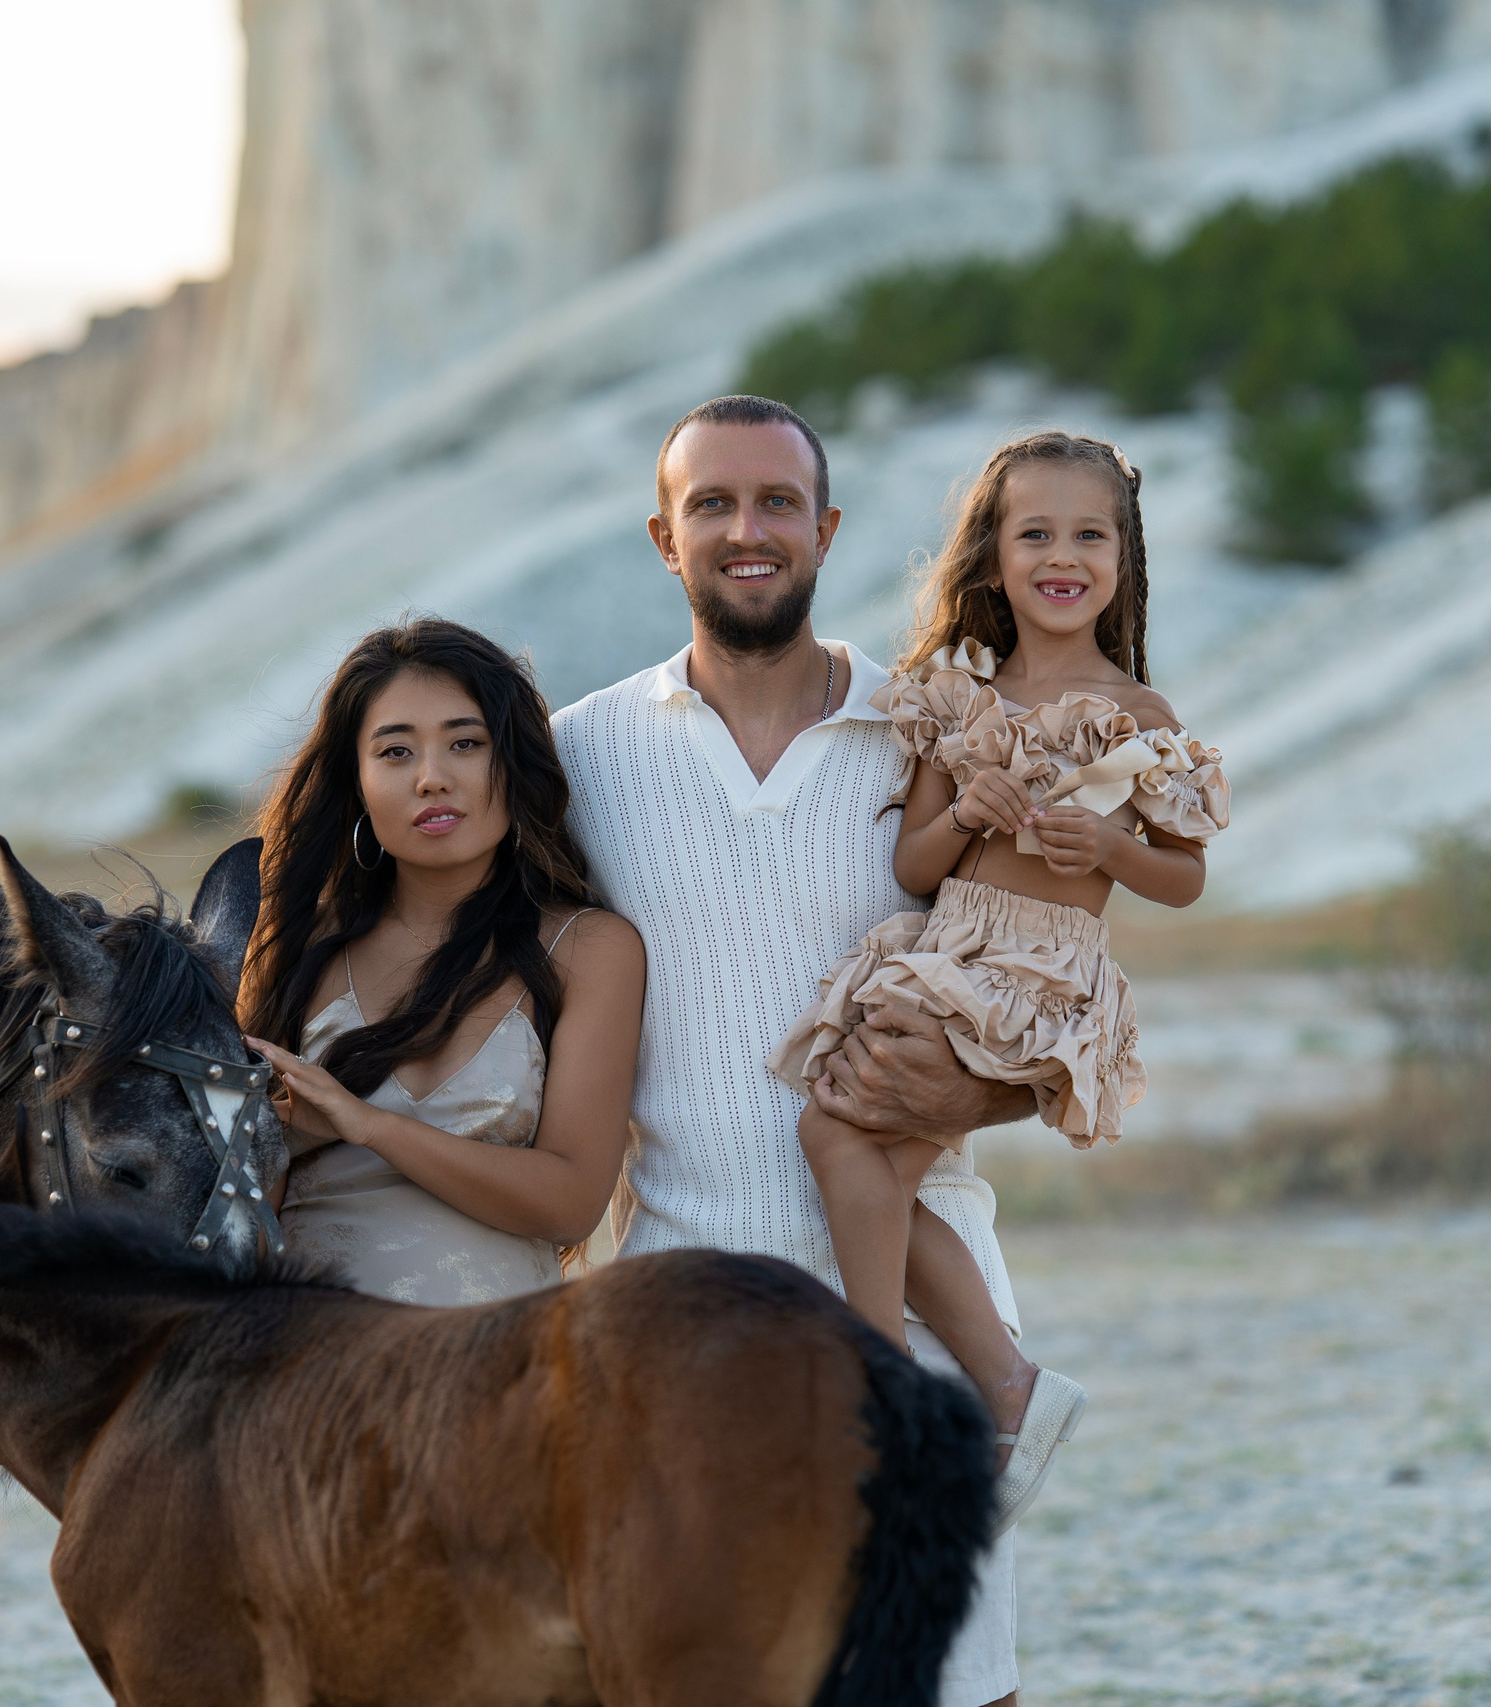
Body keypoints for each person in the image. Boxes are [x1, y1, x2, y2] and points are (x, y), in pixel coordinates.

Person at [554, 395, 1030, 1707]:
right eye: (713, 502)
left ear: (825, 529)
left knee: (950, 1681)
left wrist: (972, 1088)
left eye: (776, 503)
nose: (745, 529)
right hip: (679, 1321)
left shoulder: (937, 736)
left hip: (923, 1309)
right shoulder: (578, 759)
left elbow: (1051, 1007)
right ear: (665, 535)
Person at [771, 428, 1227, 1523]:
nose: (1061, 556)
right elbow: (913, 865)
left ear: (1124, 559)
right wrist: (965, 809)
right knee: (860, 1151)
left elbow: (1184, 878)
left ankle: (883, 1389)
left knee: (838, 1137)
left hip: (1037, 968)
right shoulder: (956, 699)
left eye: (1089, 535)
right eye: (1034, 533)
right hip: (950, 946)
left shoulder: (1138, 717)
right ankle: (1002, 1387)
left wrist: (1109, 852)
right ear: (990, 558)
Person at [240, 618, 646, 1305]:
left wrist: (367, 1124)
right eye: (395, 752)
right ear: (358, 781)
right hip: (306, 1361)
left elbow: (573, 1200)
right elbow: (239, 1200)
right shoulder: (298, 942)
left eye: (465, 743)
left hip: (499, 1367)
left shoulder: (587, 949)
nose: (432, 778)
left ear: (512, 764)